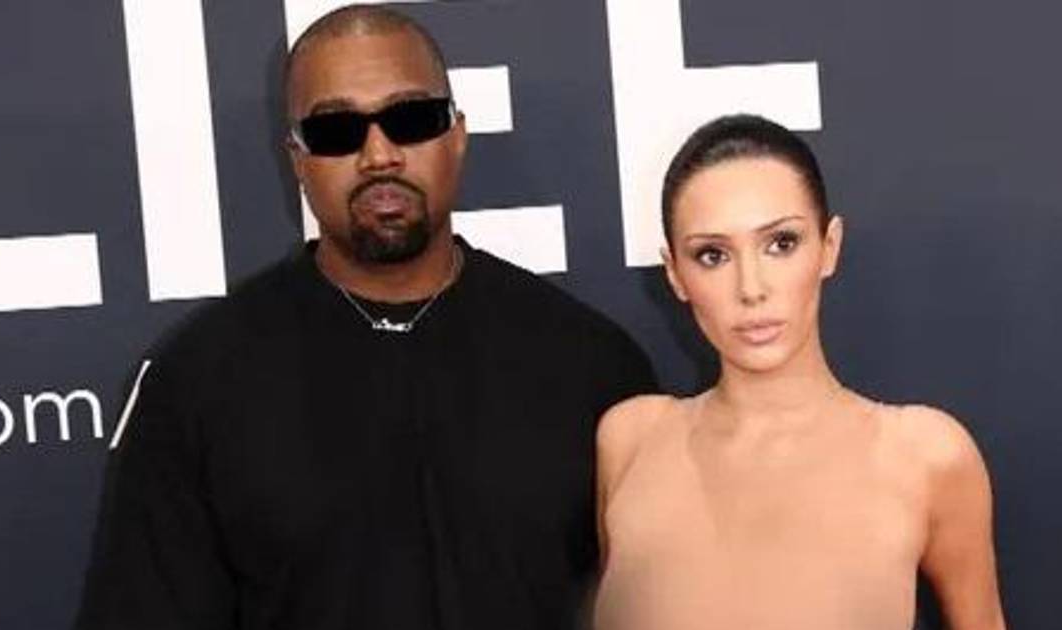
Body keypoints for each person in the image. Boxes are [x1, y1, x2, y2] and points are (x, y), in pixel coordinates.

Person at [75, 5, 655, 630]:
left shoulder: (591, 365)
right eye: (336, 131)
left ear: (457, 135)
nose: (379, 155)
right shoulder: (200, 382)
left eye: (411, 120)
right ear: (298, 158)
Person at [594, 115, 1006, 629]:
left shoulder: (926, 456)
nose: (751, 288)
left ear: (828, 247)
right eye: (713, 255)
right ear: (676, 274)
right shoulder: (630, 441)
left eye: (781, 244)